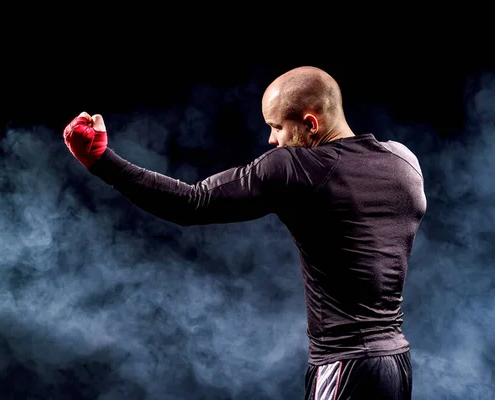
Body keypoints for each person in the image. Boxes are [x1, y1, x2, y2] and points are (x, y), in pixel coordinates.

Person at [63, 66, 427, 399]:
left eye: (278, 127)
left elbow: (191, 202)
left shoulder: (298, 168)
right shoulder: (403, 161)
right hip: (395, 365)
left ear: (311, 124)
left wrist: (101, 160)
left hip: (346, 364)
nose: (272, 140)